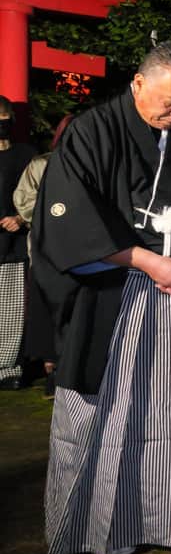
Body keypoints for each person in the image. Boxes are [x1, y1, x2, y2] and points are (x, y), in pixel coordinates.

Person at [32, 40, 171, 554]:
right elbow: (69, 218)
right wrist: (147, 261)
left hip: (170, 300)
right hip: (110, 292)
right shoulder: (93, 130)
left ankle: (162, 513)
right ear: (138, 83)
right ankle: (90, 526)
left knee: (165, 410)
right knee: (98, 412)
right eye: (168, 101)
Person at [12, 113, 74, 398]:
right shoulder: (41, 163)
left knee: (74, 312)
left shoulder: (96, 162)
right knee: (45, 311)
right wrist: (57, 208)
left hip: (81, 253)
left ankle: (69, 367)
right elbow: (24, 200)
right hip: (45, 248)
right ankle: (51, 369)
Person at [0, 95, 36, 390]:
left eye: (4, 117)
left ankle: (7, 367)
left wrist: (22, 219)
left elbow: (41, 194)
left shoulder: (26, 154)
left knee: (11, 311)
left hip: (13, 243)